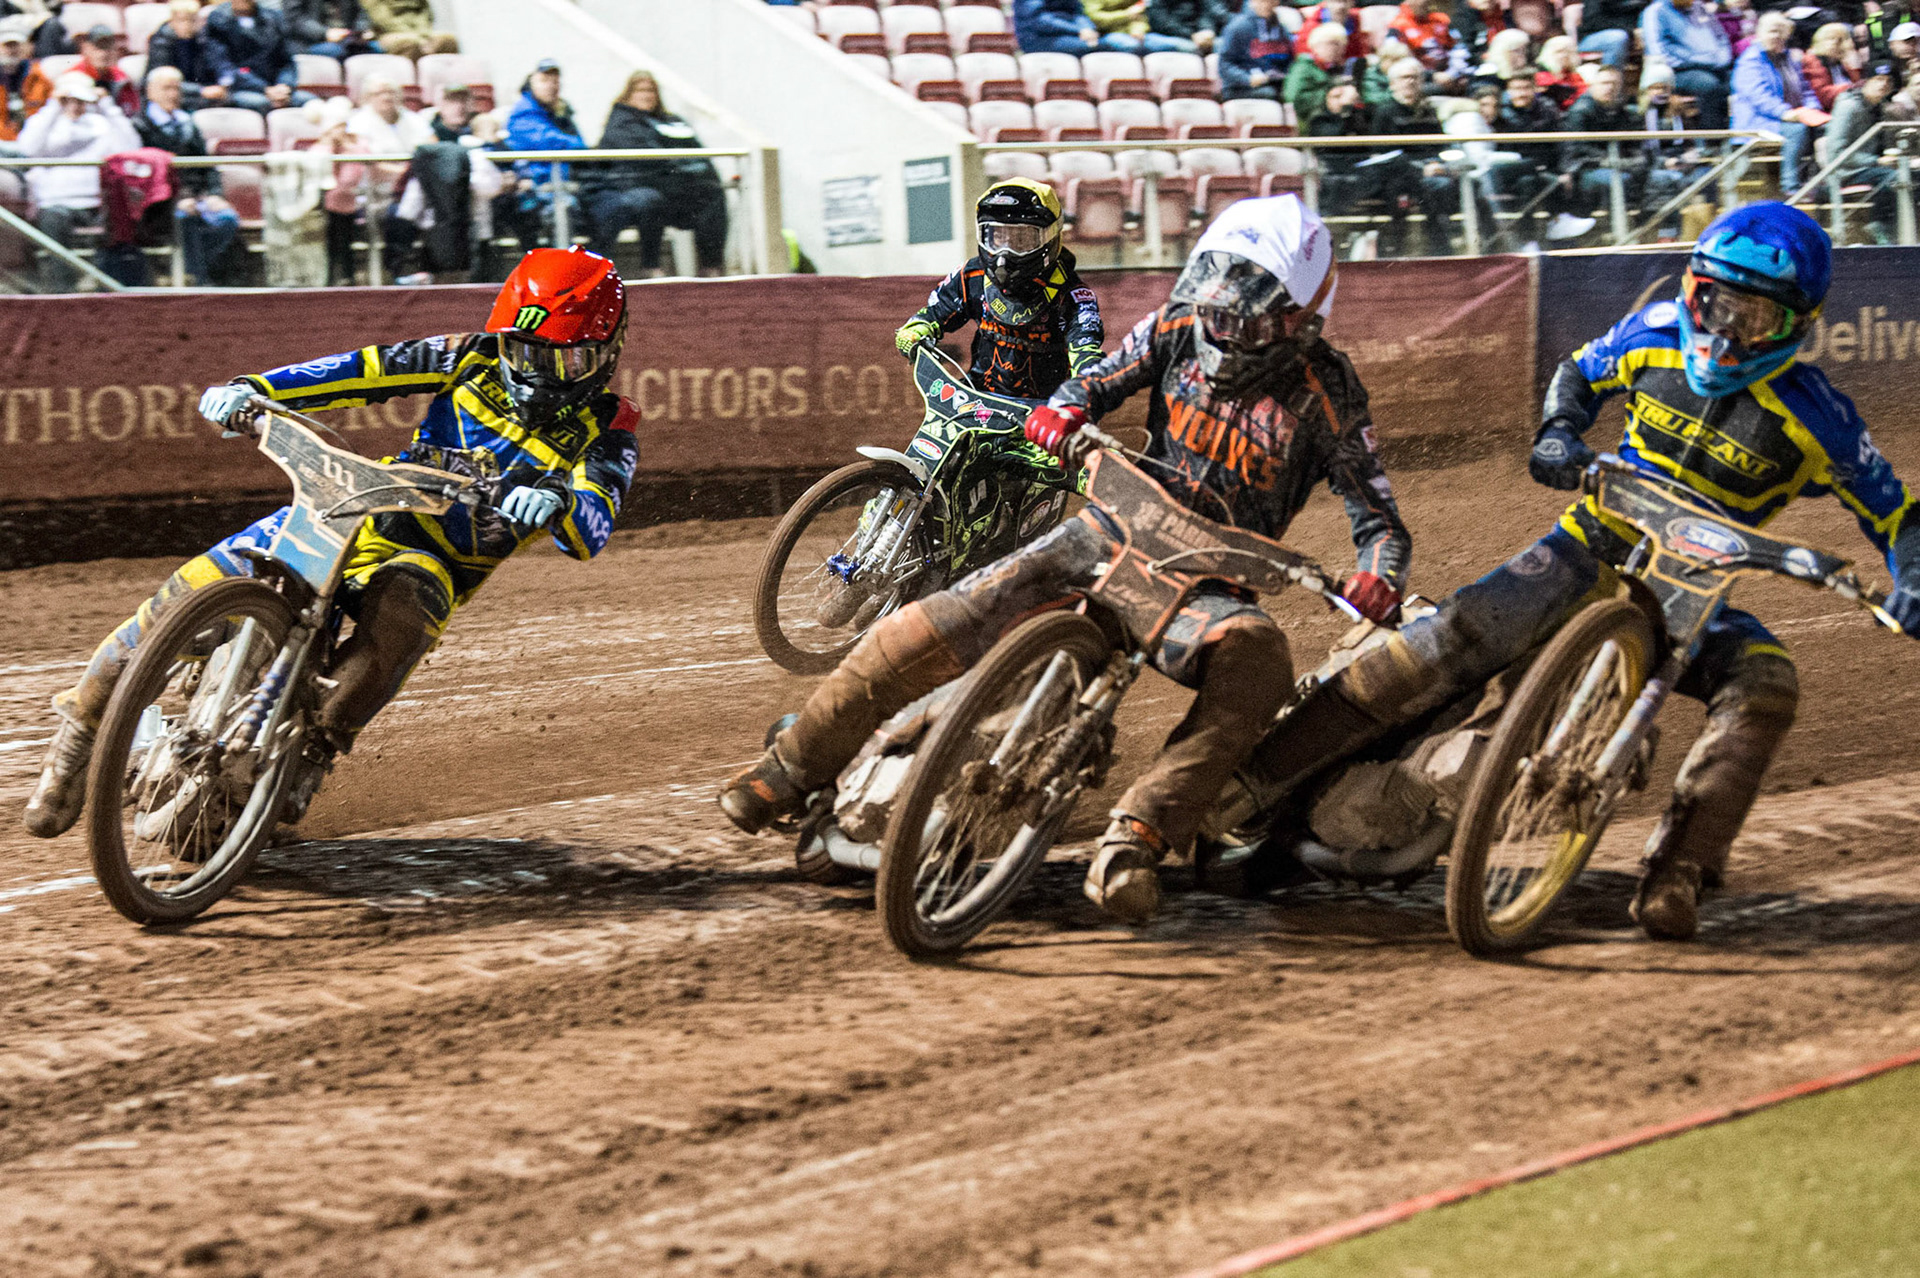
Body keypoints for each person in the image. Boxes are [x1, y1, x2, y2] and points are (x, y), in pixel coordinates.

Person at [720, 196, 1411, 925]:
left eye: (1247, 318)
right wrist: (1066, 406)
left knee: (1260, 655)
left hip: (1205, 586)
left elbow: (1381, 521)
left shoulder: (1328, 392)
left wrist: (1379, 575)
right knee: (936, 620)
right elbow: (1100, 378)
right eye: (1216, 306)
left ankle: (1139, 833)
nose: (1223, 328)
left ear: (1303, 318)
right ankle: (790, 767)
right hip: (1108, 532)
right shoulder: (1178, 324)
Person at [1238, 203, 1920, 942]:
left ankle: (1680, 870)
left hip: (1693, 593)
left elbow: (1898, 514)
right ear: (1695, 291)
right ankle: (1257, 778)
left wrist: (1912, 579)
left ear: (1796, 326)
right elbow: (1580, 372)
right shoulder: (1655, 333)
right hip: (1589, 542)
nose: (1728, 332)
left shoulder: (1820, 419)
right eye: (1720, 305)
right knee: (1453, 634)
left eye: (1756, 320)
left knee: (1766, 684)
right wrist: (1559, 430)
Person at [22, 247, 639, 840]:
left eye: (562, 361)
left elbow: (595, 523)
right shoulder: (466, 357)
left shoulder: (610, 425)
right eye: (521, 351)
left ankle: (313, 750)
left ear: (605, 354)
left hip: (435, 556)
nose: (536, 373)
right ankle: (79, 734)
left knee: (405, 606)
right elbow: (359, 371)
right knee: (187, 593)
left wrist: (560, 502)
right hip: (361, 506)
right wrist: (254, 388)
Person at [580, 70, 729, 277]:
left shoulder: (672, 121)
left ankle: (711, 265)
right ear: (629, 93)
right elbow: (648, 162)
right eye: (641, 90)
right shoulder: (621, 123)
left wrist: (694, 171)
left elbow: (698, 153)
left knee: (712, 193)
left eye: (651, 90)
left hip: (675, 187)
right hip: (636, 187)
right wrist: (684, 169)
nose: (647, 95)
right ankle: (650, 266)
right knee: (650, 200)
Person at [17, 71, 139, 291]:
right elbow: (27, 149)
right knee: (54, 221)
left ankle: (111, 291)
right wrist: (53, 107)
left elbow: (130, 148)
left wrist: (107, 107)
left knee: (121, 218)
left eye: (79, 99)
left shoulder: (100, 123)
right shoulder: (45, 123)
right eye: (69, 99)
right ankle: (63, 293)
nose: (74, 104)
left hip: (96, 202)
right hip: (56, 203)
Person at [135, 65, 241, 284]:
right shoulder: (140, 126)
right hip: (161, 202)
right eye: (166, 88)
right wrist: (178, 199)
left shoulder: (188, 124)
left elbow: (206, 165)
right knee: (184, 219)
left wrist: (214, 194)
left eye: (177, 89)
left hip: (197, 196)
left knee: (227, 220)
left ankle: (189, 271)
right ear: (150, 92)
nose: (173, 95)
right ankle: (197, 280)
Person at [1492, 72, 1597, 243]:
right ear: (1508, 91)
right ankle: (1529, 239)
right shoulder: (1502, 114)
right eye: (1516, 89)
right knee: (1530, 182)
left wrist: (1566, 170)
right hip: (1513, 171)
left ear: (1534, 89)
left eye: (1526, 88)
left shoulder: (1547, 108)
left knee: (1573, 177)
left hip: (1545, 167)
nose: (1521, 93)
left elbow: (1564, 141)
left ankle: (1562, 231)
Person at [1370, 55, 1460, 255]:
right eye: (1404, 77)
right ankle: (1439, 248)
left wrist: (1439, 163)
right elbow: (1383, 154)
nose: (1410, 82)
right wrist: (1421, 169)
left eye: (1415, 77)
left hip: (1432, 172)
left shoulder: (1428, 110)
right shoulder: (1384, 112)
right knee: (1434, 188)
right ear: (1393, 84)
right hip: (1397, 176)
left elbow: (1440, 144)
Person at [1734, 11, 1828, 193]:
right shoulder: (1750, 60)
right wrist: (1785, 113)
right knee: (1797, 130)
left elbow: (1805, 89)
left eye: (1780, 31)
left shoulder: (1789, 58)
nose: (1776, 36)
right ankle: (1790, 186)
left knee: (1825, 127)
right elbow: (1758, 97)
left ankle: (1821, 183)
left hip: (1792, 115)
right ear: (1759, 33)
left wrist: (1812, 108)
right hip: (1759, 121)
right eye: (1771, 31)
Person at [504, 57, 585, 248]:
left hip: (562, 183)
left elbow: (580, 144)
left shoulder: (559, 113)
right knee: (562, 208)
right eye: (545, 80)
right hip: (537, 188)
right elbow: (552, 142)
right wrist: (571, 140)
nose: (551, 86)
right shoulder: (523, 113)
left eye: (555, 82)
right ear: (531, 82)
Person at [1638, 61, 1712, 240]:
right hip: (1652, 165)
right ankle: (1667, 234)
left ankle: (1707, 231)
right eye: (1655, 87)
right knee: (1668, 179)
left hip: (1681, 163)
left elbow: (1694, 142)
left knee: (1707, 175)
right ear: (1646, 89)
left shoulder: (1679, 111)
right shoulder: (1638, 114)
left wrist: (1692, 156)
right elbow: (1638, 152)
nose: (1661, 92)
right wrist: (1664, 163)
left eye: (1665, 87)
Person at [1828, 62, 1902, 241]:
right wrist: (1875, 161)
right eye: (1878, 79)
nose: (1883, 84)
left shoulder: (1882, 109)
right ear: (1866, 81)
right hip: (1847, 171)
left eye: (1888, 81)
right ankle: (1879, 225)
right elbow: (1836, 152)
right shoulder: (1848, 106)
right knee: (1895, 178)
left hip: (1872, 168)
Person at [204, 0, 314, 115]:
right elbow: (224, 67)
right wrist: (264, 89)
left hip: (276, 86)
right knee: (260, 103)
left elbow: (287, 61)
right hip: (243, 87)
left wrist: (284, 85)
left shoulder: (273, 18)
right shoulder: (218, 20)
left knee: (309, 101)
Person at [1642, 0, 1734, 128]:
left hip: (1714, 66)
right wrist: (1700, 61)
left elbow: (1721, 38)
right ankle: (1712, 141)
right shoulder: (1656, 11)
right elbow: (1658, 52)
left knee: (1739, 80)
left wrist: (1721, 60)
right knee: (1709, 84)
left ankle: (1741, 136)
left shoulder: (1701, 8)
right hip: (1676, 71)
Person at [146, 0, 237, 112]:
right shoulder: (161, 42)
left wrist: (225, 83)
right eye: (182, 20)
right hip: (179, 94)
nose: (187, 25)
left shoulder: (204, 38)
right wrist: (200, 90)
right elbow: (163, 82)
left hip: (210, 93)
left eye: (192, 20)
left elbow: (221, 63)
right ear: (172, 21)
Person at [1284, 22, 1360, 128]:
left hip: (1340, 116)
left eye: (1340, 44)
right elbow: (1292, 97)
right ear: (1315, 46)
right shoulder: (1304, 67)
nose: (1335, 48)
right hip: (1313, 119)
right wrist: (1327, 97)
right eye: (1330, 43)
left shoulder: (1343, 68)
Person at [1218, 0, 1293, 101]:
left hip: (1273, 82)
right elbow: (1224, 65)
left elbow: (1289, 62)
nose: (1266, 5)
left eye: (1271, 2)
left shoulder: (1281, 30)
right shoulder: (1238, 27)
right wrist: (1247, 79)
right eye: (1262, 1)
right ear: (1252, 2)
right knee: (1271, 93)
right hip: (1239, 88)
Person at [0, 14, 52, 142]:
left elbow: (47, 113)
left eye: (16, 45)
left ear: (26, 47)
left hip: (34, 142)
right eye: (7, 45)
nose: (12, 50)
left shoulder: (40, 77)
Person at [358, 0, 459, 60]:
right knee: (409, 43)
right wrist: (418, 37)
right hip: (388, 33)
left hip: (420, 31)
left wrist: (423, 35)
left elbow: (426, 14)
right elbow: (383, 19)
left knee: (448, 39)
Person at [74, 23, 138, 117]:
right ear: (86, 48)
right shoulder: (74, 77)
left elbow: (131, 112)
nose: (103, 54)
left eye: (107, 47)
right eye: (97, 48)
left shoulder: (121, 78)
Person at [283, 0, 380, 61]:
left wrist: (361, 30)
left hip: (347, 38)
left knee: (377, 48)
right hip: (310, 42)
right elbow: (295, 19)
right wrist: (325, 33)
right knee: (336, 51)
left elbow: (361, 13)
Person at [1800, 21, 1859, 110]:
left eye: (1840, 39)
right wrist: (1852, 87)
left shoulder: (1839, 62)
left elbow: (1855, 82)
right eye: (1831, 38)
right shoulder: (1812, 60)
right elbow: (1823, 96)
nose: (1835, 43)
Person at [1576, 0, 1649, 68]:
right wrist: (1630, 32)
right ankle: (1611, 77)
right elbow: (1592, 22)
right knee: (1617, 38)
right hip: (1592, 36)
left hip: (1632, 32)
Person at [1012, 0, 1101, 55]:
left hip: (1070, 34)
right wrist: (1078, 30)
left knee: (1105, 42)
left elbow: (1078, 12)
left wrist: (1086, 28)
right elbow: (1040, 22)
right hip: (1038, 38)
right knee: (1104, 46)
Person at [1144, 0, 1232, 55]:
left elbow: (1207, 12)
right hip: (1170, 36)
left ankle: (1201, 48)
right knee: (1148, 41)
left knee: (1230, 44)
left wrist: (1206, 31)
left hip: (1199, 36)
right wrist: (1191, 35)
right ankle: (1197, 49)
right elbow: (1161, 22)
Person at [1298, 0, 1371, 63]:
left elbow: (1360, 53)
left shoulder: (1355, 22)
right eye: (1336, 1)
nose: (1341, 7)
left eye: (1345, 1)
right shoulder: (1312, 25)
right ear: (1326, 2)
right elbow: (1304, 54)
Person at [1533, 34, 1588, 110]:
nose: (1564, 55)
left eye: (1568, 52)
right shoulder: (1540, 76)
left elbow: (1583, 94)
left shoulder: (1575, 76)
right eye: (1559, 52)